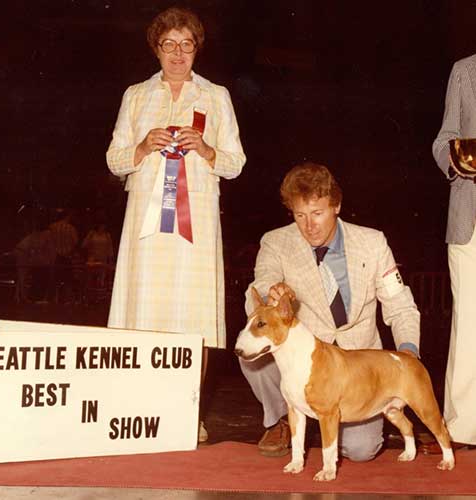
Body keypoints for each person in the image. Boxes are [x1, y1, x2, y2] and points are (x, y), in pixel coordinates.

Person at [106, 7, 246, 442]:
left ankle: (188, 412)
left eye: (187, 44)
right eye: (169, 44)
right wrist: (143, 147)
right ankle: (143, 412)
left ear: (197, 48)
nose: (178, 53)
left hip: (196, 226)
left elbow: (236, 163)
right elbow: (113, 160)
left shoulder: (217, 96)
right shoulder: (135, 96)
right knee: (144, 312)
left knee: (195, 317)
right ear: (157, 48)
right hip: (146, 226)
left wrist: (205, 150)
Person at [239, 162, 420, 460]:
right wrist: (272, 292)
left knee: (362, 450)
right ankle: (281, 419)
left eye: (318, 213)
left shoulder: (373, 243)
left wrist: (408, 353)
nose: (309, 226)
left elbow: (400, 306)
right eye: (300, 216)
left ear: (336, 205)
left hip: (355, 366)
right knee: (250, 356)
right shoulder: (276, 242)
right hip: (302, 359)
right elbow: (259, 286)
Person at [421, 54, 476, 454]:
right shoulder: (465, 70)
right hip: (469, 220)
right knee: (471, 322)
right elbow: (445, 140)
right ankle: (462, 429)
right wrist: (461, 159)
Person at [49, 209, 79, 303]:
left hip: (55, 256)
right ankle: (66, 299)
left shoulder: (52, 227)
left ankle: (55, 298)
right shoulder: (71, 228)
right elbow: (75, 243)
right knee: (68, 280)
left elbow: (48, 241)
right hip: (67, 257)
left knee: (55, 279)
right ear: (67, 217)